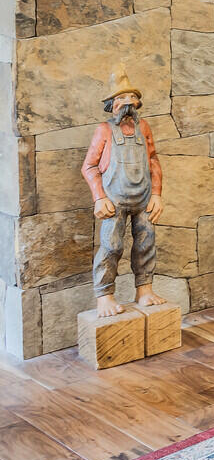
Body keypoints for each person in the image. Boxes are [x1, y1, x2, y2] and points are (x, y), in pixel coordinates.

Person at [81, 64, 166, 317]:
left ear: (138, 102)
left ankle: (145, 290)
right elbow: (89, 166)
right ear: (112, 104)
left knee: (146, 243)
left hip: (143, 198)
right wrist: (99, 198)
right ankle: (105, 296)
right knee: (111, 246)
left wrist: (158, 194)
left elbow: (153, 161)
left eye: (131, 97)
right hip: (113, 201)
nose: (128, 101)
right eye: (121, 98)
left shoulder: (144, 128)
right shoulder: (104, 130)